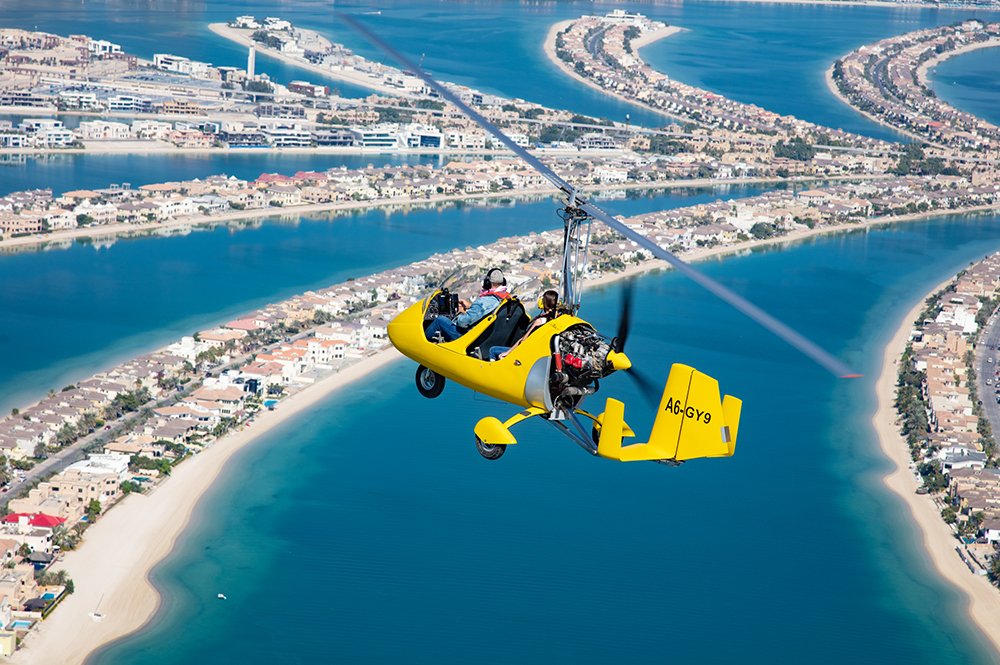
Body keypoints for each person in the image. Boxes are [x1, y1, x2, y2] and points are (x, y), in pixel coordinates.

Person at [425, 268, 509, 342]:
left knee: (440, 320)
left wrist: (462, 313)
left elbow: (462, 323)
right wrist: (471, 306)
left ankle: (424, 342)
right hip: (484, 337)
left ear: (487, 283)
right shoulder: (503, 298)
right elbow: (485, 310)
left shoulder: (484, 302)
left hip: (468, 338)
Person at [489, 289, 559, 361]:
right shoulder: (554, 320)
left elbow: (522, 341)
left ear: (544, 302)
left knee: (493, 350)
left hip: (523, 351)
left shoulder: (539, 321)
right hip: (535, 353)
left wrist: (507, 353)